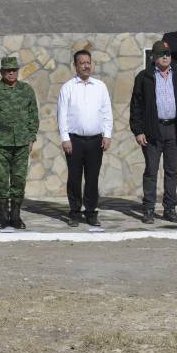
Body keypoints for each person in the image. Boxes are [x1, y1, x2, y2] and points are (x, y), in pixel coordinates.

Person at [129, 39, 177, 224]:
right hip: (152, 130)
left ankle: (170, 209)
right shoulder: (144, 77)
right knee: (151, 171)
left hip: (175, 130)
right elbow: (136, 106)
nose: (165, 57)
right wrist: (138, 131)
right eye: (161, 54)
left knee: (171, 171)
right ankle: (149, 209)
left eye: (168, 54)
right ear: (154, 57)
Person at [0, 56, 39, 230]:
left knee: (19, 179)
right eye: (7, 70)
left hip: (22, 143)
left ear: (17, 71)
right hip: (1, 144)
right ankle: (3, 217)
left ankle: (16, 216)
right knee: (2, 180)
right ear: (1, 72)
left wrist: (31, 138)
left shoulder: (27, 90)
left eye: (14, 70)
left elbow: (33, 115)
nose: (11, 73)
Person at [57, 49, 112, 227]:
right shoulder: (67, 87)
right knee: (74, 178)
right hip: (74, 141)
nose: (86, 66)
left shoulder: (100, 86)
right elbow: (62, 115)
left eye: (88, 62)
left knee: (92, 178)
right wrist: (65, 138)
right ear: (75, 66)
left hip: (96, 140)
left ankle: (91, 212)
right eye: (82, 63)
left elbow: (107, 112)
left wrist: (107, 135)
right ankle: (74, 212)